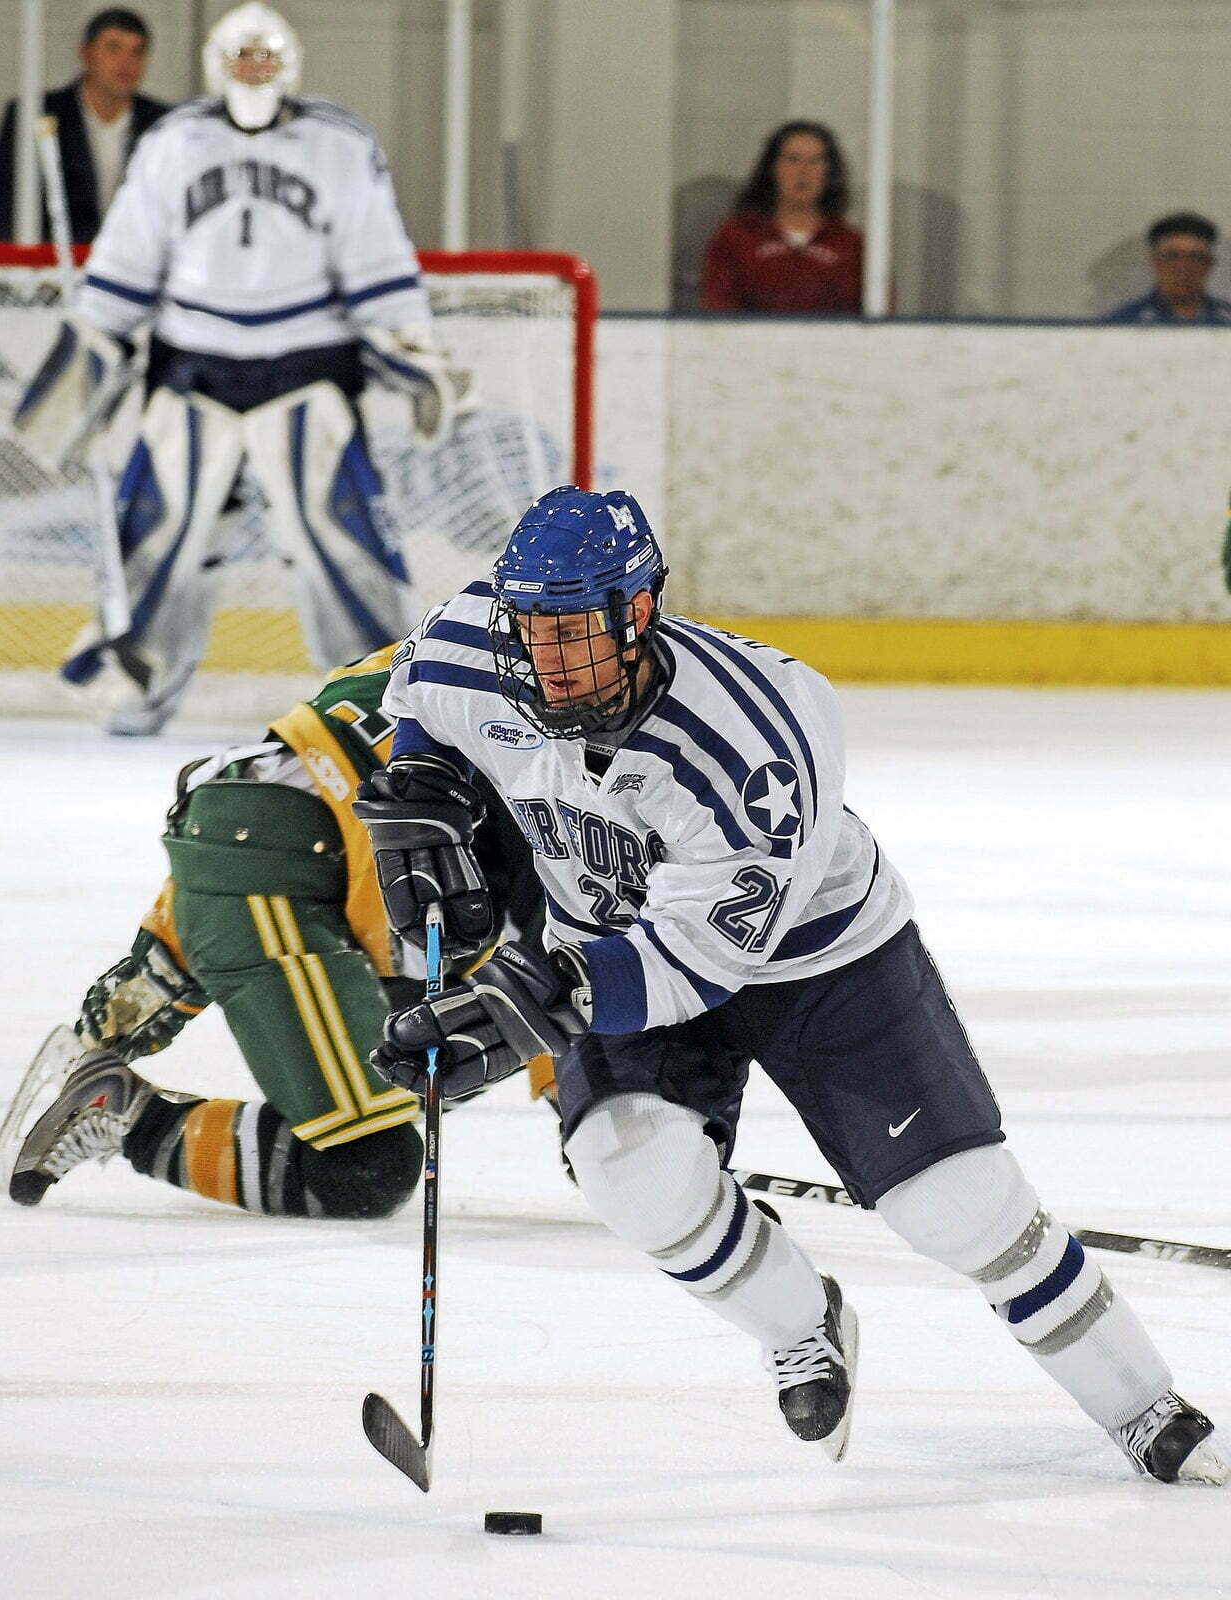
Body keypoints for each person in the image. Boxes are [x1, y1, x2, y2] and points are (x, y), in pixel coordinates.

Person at [350, 484, 1228, 1487]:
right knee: (625, 1167)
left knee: (958, 1207)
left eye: (568, 632)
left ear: (635, 614)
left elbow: (693, 959)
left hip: (820, 963)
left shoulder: (756, 736)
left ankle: (1140, 1403)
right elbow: (416, 702)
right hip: (600, 944)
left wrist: (518, 1007)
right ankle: (801, 1323)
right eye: (527, 629)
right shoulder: (470, 648)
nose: (540, 659)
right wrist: (420, 790)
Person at [12, 2, 472, 736]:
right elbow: (129, 256)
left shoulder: (337, 142)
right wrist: (92, 344)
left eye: (266, 58)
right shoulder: (174, 141)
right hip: (193, 372)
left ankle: (378, 696)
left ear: (288, 63)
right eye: (242, 57)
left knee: (340, 542)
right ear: (218, 64)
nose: (254, 71)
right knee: (159, 537)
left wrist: (411, 344)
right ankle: (140, 681)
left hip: (308, 375)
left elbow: (377, 255)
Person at [0, 642, 549, 1221]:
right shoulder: (579, 738)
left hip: (266, 824)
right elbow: (557, 973)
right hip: (291, 861)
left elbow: (334, 738)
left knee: (438, 1050)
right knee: (367, 1166)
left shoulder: (469, 631)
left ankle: (156, 983)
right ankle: (123, 1113)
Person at [0, 9, 170, 245]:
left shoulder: (163, 123)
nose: (126, 62)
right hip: (52, 269)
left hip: (135, 270)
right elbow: (6, 205)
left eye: (137, 51)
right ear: (86, 53)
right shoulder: (37, 113)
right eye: (113, 48)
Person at [699, 121, 864, 314]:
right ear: (772, 168)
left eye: (815, 161)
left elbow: (876, 316)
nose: (804, 171)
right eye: (793, 159)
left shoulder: (850, 243)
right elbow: (718, 308)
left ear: (829, 173)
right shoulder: (738, 236)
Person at [1104, 214, 1231, 325]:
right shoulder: (1122, 323)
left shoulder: (1226, 320)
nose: (1183, 267)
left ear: (1209, 264)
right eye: (1173, 256)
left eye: (1194, 257)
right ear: (1156, 262)